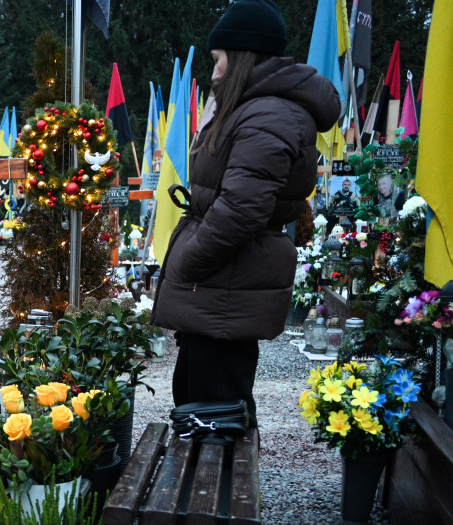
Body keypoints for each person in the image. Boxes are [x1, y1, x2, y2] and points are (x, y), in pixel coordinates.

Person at [149, 0, 340, 428]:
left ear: (241, 57)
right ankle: (214, 491)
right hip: (226, 287)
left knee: (212, 413)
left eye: (218, 60)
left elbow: (240, 210)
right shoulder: (261, 108)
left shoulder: (268, 114)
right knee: (210, 404)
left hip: (226, 284)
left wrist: (190, 259)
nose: (214, 72)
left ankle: (213, 495)